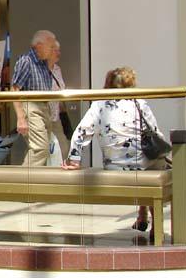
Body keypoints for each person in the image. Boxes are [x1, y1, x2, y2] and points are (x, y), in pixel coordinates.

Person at [63, 66, 169, 235]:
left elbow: (80, 133)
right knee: (152, 165)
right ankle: (155, 224)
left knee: (142, 168)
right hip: (142, 167)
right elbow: (155, 132)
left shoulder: (99, 105)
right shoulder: (139, 103)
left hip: (115, 167)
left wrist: (74, 161)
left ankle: (142, 216)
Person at [11, 30, 58, 166]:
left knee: (44, 148)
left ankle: (32, 182)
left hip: (43, 107)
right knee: (39, 149)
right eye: (50, 47)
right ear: (39, 45)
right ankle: (24, 184)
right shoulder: (26, 61)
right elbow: (14, 89)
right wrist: (21, 117)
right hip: (31, 106)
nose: (52, 51)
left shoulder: (43, 63)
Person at [46, 40, 69, 166]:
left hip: (55, 117)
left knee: (63, 148)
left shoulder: (57, 69)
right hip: (42, 118)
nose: (59, 53)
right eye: (56, 50)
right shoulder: (39, 70)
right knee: (44, 152)